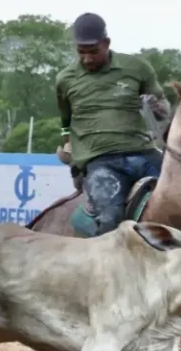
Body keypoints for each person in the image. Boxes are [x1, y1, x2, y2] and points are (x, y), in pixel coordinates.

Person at [55, 12, 171, 234]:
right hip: (101, 161)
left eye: (93, 52)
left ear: (106, 43)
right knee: (110, 219)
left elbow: (164, 107)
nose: (87, 59)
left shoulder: (137, 68)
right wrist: (70, 150)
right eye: (81, 52)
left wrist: (158, 107)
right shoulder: (65, 79)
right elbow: (65, 121)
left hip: (144, 153)